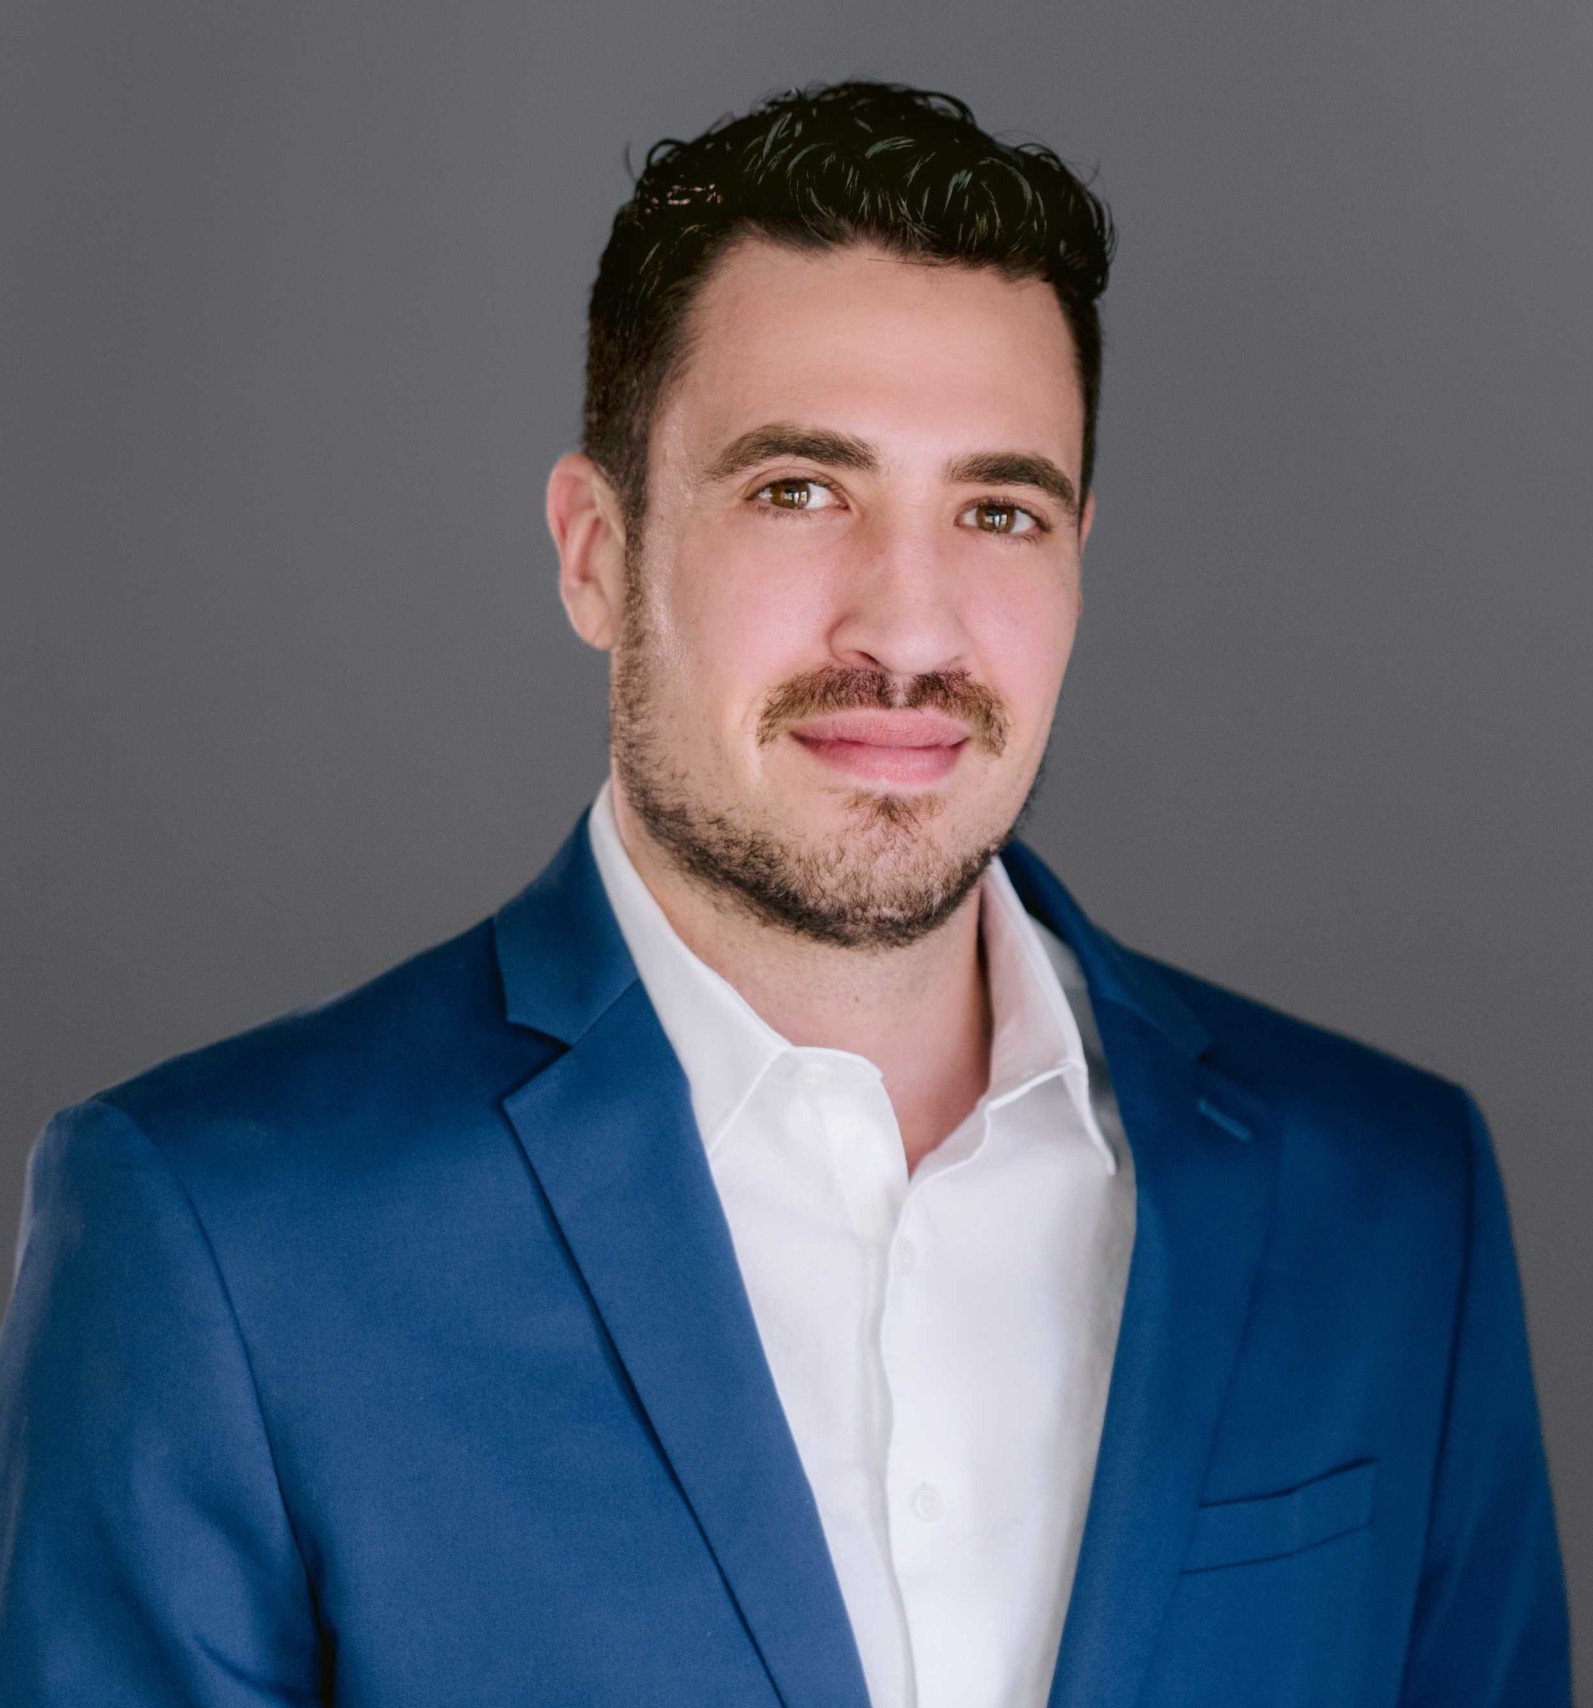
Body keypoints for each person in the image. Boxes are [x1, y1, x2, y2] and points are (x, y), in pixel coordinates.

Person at [0, 80, 1569, 1708]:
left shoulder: (1393, 1208)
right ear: (595, 552)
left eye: (997, 511)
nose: (909, 628)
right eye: (798, 490)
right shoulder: (222, 1234)